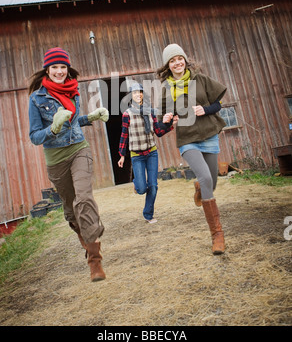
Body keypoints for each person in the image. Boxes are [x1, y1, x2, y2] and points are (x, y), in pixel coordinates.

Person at [28, 47, 109, 281]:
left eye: (63, 67)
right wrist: (52, 128)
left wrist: (90, 117)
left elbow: (72, 123)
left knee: (84, 198)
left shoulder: (74, 91)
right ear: (47, 69)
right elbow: (34, 136)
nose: (60, 71)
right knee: (72, 209)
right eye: (55, 67)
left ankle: (95, 262)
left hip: (79, 150)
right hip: (56, 160)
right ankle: (87, 244)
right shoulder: (37, 99)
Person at [156, 44, 227, 254]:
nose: (177, 63)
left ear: (185, 60)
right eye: (172, 60)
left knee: (211, 183)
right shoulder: (166, 89)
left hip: (209, 134)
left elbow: (218, 104)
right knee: (205, 177)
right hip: (188, 139)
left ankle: (200, 189)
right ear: (167, 66)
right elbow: (161, 125)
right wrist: (167, 120)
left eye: (180, 58)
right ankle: (217, 236)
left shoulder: (201, 80)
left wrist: (204, 109)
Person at [118, 83, 173, 224]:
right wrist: (122, 155)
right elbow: (124, 135)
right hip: (137, 155)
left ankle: (148, 214)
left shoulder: (150, 111)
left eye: (140, 92)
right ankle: (137, 183)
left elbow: (158, 131)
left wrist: (169, 124)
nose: (138, 95)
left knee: (153, 186)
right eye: (135, 93)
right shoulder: (127, 114)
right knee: (142, 189)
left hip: (151, 153)